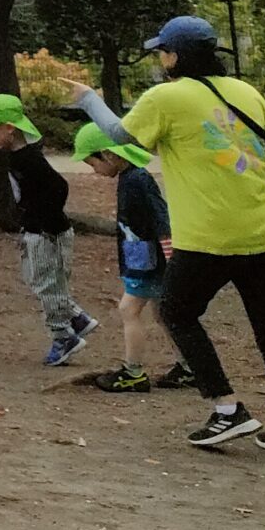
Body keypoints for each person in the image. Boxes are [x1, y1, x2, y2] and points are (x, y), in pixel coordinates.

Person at [65, 16, 265, 459]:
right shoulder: (245, 91)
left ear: (175, 56)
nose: (160, 59)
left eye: (162, 51)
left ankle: (226, 407)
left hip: (209, 235)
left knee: (176, 311)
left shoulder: (167, 96)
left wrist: (88, 100)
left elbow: (119, 134)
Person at [70, 122, 194, 393]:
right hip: (142, 257)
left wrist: (170, 254)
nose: (95, 171)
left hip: (148, 260)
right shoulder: (130, 179)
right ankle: (190, 366)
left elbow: (161, 217)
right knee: (163, 312)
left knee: (129, 309)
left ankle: (134, 372)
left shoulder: (138, 180)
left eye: (93, 163)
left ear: (109, 155)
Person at [0, 92, 98, 365]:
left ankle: (63, 336)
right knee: (37, 277)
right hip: (36, 229)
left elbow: (58, 187)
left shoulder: (29, 160)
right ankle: (76, 317)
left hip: (46, 233)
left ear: (8, 128)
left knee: (46, 283)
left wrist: (46, 221)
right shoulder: (19, 157)